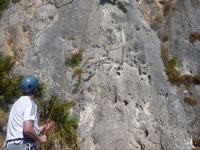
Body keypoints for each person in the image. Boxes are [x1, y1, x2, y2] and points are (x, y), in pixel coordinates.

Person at [2, 75, 54, 150]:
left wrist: (43, 127)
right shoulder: (30, 103)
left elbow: (21, 128)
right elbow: (27, 128)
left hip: (10, 146)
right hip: (23, 146)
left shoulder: (17, 103)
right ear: (35, 89)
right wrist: (40, 139)